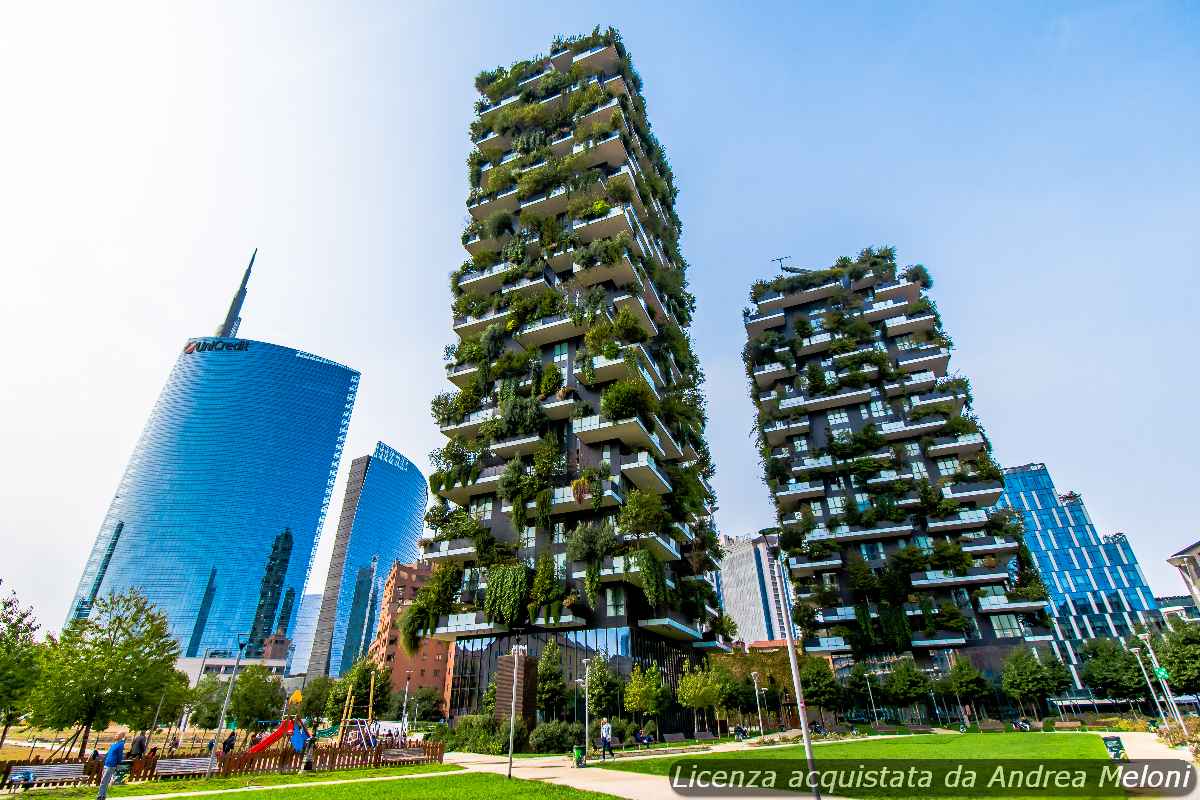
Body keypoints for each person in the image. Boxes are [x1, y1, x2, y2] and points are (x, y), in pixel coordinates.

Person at [96, 732, 126, 800]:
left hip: (111, 765)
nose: (116, 735)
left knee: (104, 781)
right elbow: (108, 753)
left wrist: (118, 764)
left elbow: (120, 756)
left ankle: (100, 796)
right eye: (116, 734)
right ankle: (103, 796)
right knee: (104, 781)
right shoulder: (114, 744)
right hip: (107, 763)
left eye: (117, 734)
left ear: (121, 736)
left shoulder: (120, 744)